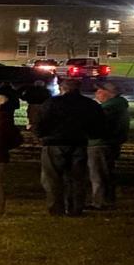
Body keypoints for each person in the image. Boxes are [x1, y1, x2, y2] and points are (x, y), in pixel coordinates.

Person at [33, 78, 103, 216]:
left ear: (62, 88)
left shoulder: (52, 103)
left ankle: (56, 208)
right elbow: (98, 124)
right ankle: (76, 208)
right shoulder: (89, 104)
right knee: (77, 177)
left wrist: (41, 135)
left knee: (52, 177)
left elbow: (41, 121)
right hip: (78, 142)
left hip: (54, 143)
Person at [88, 81, 130, 210]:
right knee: (106, 173)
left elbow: (94, 124)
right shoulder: (118, 105)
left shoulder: (108, 108)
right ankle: (107, 199)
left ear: (109, 93)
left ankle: (100, 202)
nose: (97, 94)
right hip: (108, 143)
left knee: (99, 174)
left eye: (100, 91)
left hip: (101, 144)